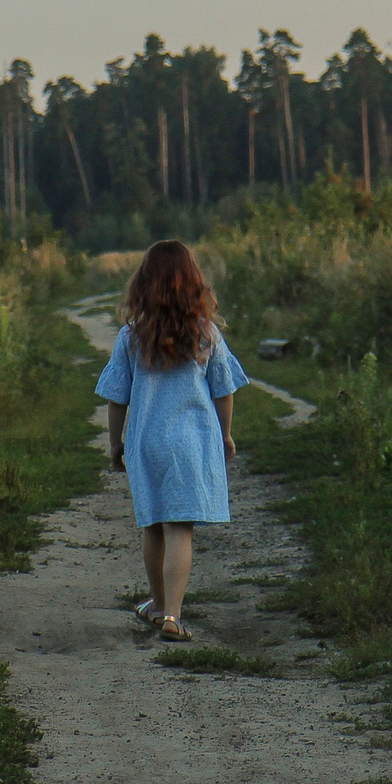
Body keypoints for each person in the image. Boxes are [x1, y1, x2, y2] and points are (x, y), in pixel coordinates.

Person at [96, 240, 249, 642]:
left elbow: (117, 397)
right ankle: (173, 618)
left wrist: (117, 444)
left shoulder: (131, 337)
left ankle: (158, 603)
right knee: (180, 527)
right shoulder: (206, 334)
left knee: (153, 525)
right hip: (192, 442)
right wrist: (226, 435)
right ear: (193, 284)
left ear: (143, 285)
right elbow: (224, 390)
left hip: (147, 440)